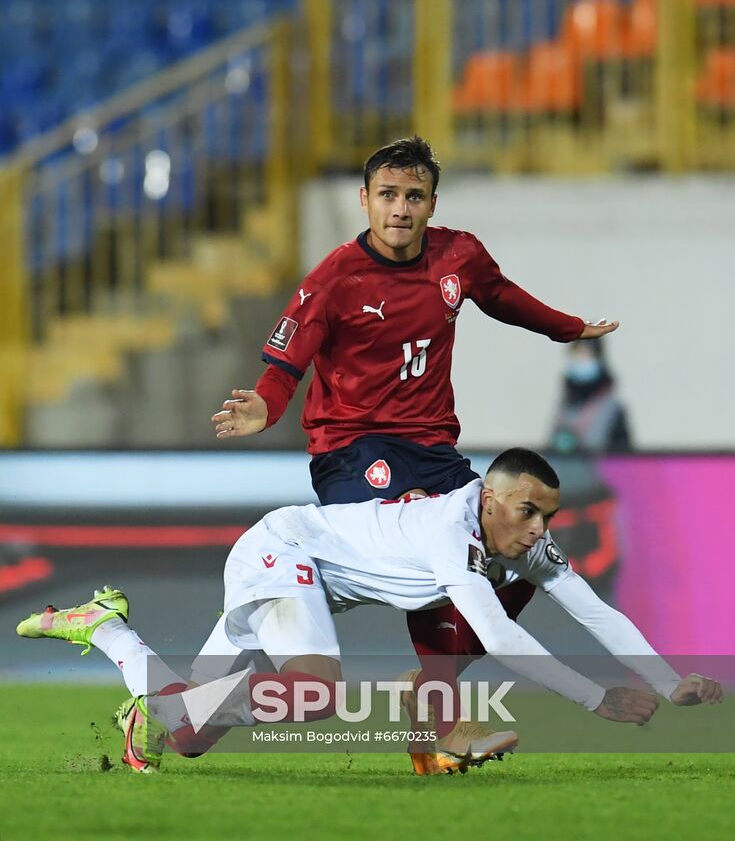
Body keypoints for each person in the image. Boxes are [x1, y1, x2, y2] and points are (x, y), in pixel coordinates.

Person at [208, 134, 622, 773]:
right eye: (387, 195)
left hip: (433, 446)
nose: (399, 209)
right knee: (441, 555)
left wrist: (566, 327)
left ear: (431, 203)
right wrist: (265, 407)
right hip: (353, 448)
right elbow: (283, 366)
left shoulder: (459, 255)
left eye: (413, 196)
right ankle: (441, 719)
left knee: (514, 552)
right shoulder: (333, 280)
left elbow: (502, 295)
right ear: (365, 200)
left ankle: (429, 706)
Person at [17, 448, 723, 776]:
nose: (539, 527)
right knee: (316, 692)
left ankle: (103, 625)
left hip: (302, 578)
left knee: (186, 734)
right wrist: (595, 698)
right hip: (282, 549)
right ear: (487, 499)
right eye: (526, 510)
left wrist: (666, 682)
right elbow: (499, 635)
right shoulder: (453, 532)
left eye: (548, 514)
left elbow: (595, 612)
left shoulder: (519, 539)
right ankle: (155, 701)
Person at [550, 336, 633, 453]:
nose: (579, 361)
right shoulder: (566, 404)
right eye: (575, 355)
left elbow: (623, 456)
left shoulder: (612, 408)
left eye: (585, 355)